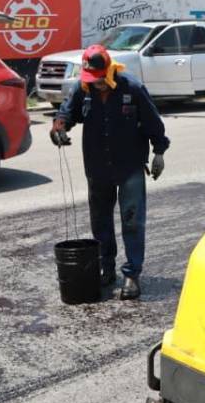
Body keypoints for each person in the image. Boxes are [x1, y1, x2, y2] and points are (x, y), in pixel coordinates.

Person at [50, 45, 169, 300]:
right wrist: (58, 128)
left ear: (110, 71)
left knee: (132, 221)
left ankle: (132, 275)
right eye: (93, 80)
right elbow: (65, 114)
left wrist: (159, 152)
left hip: (130, 168)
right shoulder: (83, 89)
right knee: (101, 222)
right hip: (97, 168)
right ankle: (107, 268)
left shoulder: (132, 88)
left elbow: (153, 123)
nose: (98, 84)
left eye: (101, 79)